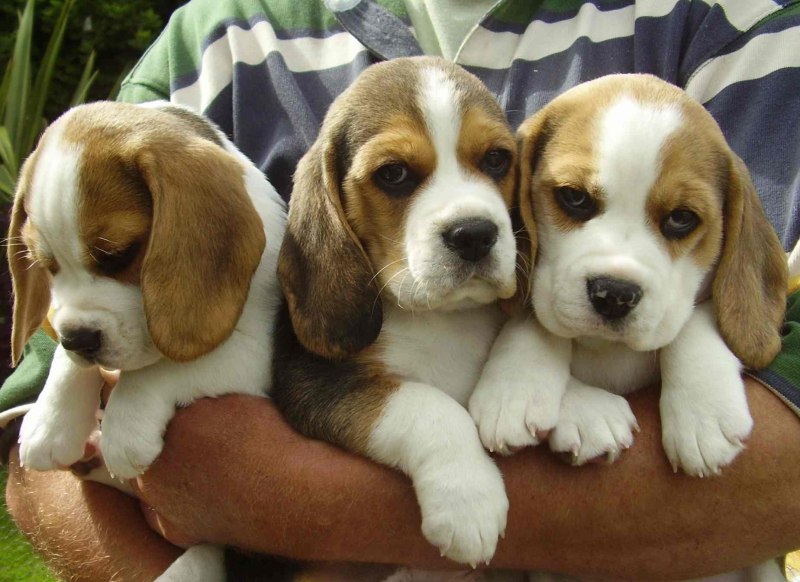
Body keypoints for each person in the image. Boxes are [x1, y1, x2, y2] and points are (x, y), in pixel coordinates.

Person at [3, 0, 800, 579]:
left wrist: (290, 502)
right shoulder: (218, 38)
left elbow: (781, 438)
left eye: (496, 164)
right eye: (393, 175)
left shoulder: (735, 21)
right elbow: (39, 441)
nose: (474, 214)